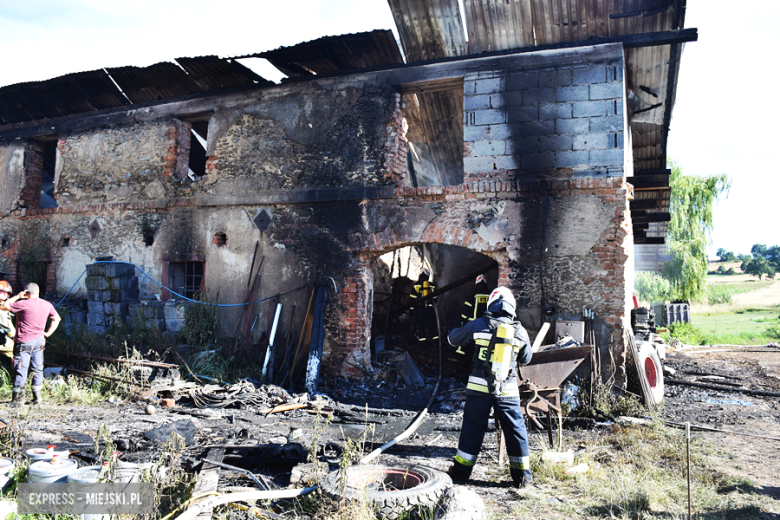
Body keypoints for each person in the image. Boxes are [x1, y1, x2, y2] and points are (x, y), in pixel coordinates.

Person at [447, 286, 533, 488]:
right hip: (508, 391)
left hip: (478, 389)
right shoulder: (519, 330)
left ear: (491, 304)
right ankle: (522, 478)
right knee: (515, 430)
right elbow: (527, 359)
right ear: (512, 307)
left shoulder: (479, 324)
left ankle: (461, 473)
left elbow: (453, 339)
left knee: (472, 429)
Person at [0, 283, 61, 406]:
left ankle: (18, 400)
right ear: (38, 292)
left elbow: (4, 306)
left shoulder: (23, 304)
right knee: (37, 369)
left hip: (24, 341)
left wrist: (18, 296)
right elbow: (57, 318)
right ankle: (37, 399)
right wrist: (48, 333)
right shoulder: (46, 304)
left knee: (21, 369)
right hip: (39, 341)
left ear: (26, 292)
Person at [410, 267, 439, 342]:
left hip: (419, 309)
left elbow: (412, 299)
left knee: (420, 326)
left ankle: (422, 344)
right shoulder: (432, 285)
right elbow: (435, 299)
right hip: (430, 309)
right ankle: (435, 342)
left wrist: (411, 310)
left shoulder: (416, 285)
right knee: (432, 326)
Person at [0, 281, 15, 362]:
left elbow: (9, 325)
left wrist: (14, 337)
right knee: (17, 350)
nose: (6, 295)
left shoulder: (4, 307)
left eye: (8, 293)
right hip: (1, 339)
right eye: (4, 292)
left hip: (2, 337)